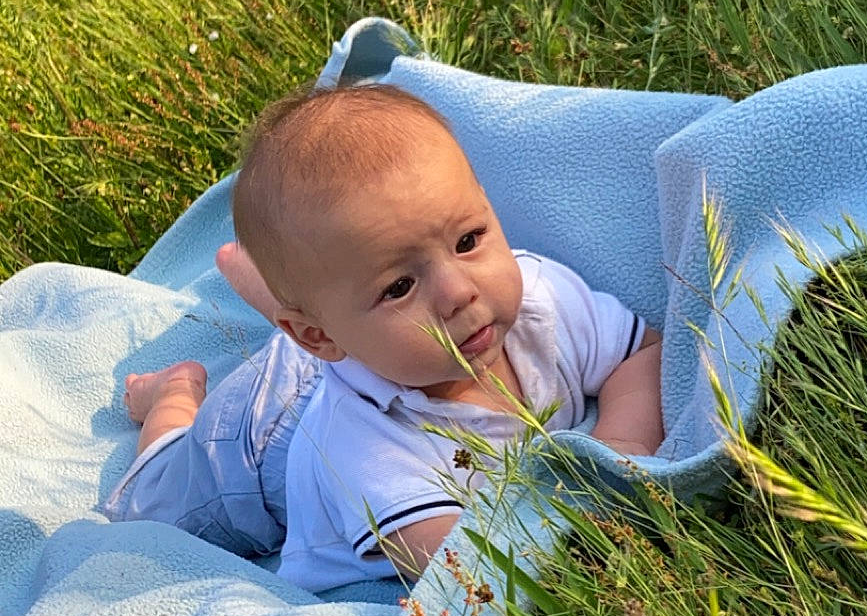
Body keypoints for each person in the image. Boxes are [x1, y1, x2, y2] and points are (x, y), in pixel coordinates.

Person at [104, 82, 663, 589]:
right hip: (260, 441)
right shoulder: (364, 447)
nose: (459, 292)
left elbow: (641, 351)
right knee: (151, 510)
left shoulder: (541, 296)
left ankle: (273, 280)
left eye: (468, 239)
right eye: (399, 286)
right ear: (318, 336)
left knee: (337, 286)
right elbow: (482, 565)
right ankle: (174, 393)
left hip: (351, 345)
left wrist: (624, 446)